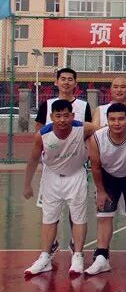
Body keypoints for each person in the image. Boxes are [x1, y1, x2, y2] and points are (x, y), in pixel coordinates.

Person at [22, 100, 99, 276]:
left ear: (73, 115)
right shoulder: (43, 135)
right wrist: (27, 184)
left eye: (66, 115)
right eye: (58, 116)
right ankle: (45, 257)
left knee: (78, 218)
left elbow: (104, 130)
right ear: (51, 117)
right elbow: (33, 160)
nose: (62, 120)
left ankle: (78, 255)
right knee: (49, 219)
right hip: (52, 177)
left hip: (76, 175)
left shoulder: (84, 128)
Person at [33, 67, 93, 255]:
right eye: (63, 79)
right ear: (56, 82)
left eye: (70, 79)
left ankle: (76, 244)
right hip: (52, 167)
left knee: (76, 210)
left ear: (75, 83)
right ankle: (51, 244)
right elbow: (38, 132)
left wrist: (86, 153)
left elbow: (89, 132)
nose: (66, 82)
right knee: (51, 210)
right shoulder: (47, 105)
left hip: (76, 165)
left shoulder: (83, 106)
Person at [85, 103, 126, 275]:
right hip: (108, 177)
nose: (117, 123)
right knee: (104, 216)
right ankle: (102, 257)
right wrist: (101, 191)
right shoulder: (97, 138)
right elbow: (95, 167)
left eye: (121, 119)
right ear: (107, 121)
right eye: (112, 119)